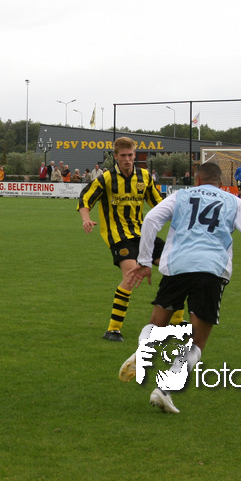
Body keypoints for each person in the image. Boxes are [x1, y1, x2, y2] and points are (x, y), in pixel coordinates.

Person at [120, 161, 241, 413]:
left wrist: (144, 261)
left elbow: (151, 219)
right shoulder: (234, 202)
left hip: (177, 265)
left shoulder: (181, 195)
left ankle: (145, 349)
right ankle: (165, 389)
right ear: (221, 183)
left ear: (197, 180)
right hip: (211, 269)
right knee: (197, 340)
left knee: (157, 323)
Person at [78, 136, 182, 342]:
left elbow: (159, 203)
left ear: (135, 155)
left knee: (175, 268)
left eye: (130, 155)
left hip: (144, 234)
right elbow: (85, 198)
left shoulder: (144, 177)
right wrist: (86, 219)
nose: (127, 159)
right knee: (131, 274)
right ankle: (113, 329)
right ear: (116, 157)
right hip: (119, 236)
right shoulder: (106, 178)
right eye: (123, 156)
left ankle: (178, 322)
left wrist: (181, 218)